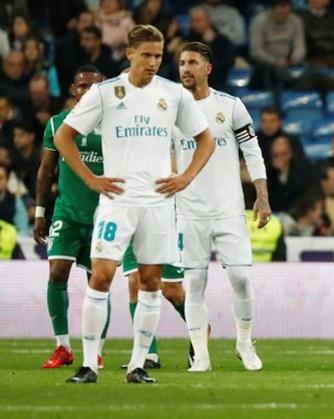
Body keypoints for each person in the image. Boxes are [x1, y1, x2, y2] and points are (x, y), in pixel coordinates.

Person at [54, 25, 215, 384]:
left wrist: (186, 177)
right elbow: (64, 135)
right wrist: (90, 178)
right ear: (129, 53)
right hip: (117, 201)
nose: (154, 62)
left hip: (157, 204)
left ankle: (138, 365)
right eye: (147, 55)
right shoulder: (105, 92)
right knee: (102, 275)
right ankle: (90, 364)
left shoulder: (173, 95)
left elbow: (206, 139)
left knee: (151, 281)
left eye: (158, 56)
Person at [175, 42, 270, 372]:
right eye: (181, 63)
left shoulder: (230, 106)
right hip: (188, 211)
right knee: (194, 284)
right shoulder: (169, 108)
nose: (185, 68)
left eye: (192, 63)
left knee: (242, 278)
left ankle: (244, 342)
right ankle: (200, 353)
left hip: (229, 208)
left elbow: (253, 152)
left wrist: (262, 195)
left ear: (207, 68)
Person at [33, 65, 107, 370]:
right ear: (73, 90)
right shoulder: (58, 125)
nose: (88, 91)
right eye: (83, 86)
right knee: (57, 273)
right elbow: (45, 171)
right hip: (67, 212)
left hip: (104, 214)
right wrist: (40, 212)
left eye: (95, 86)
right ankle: (62, 346)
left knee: (98, 282)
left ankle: (97, 350)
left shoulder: (115, 125)